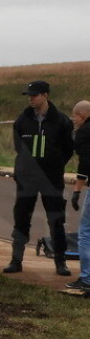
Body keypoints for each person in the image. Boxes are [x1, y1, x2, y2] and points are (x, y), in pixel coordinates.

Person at [3, 80, 74, 276]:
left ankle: (61, 261)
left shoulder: (61, 121)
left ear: (46, 95)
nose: (31, 98)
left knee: (56, 219)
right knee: (22, 216)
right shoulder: (22, 120)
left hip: (51, 179)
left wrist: (54, 165)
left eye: (34, 95)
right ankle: (16, 260)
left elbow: (68, 149)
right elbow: (19, 147)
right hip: (27, 179)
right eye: (29, 95)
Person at [67, 100, 90, 291]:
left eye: (75, 116)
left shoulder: (83, 132)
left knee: (85, 232)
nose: (74, 120)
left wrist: (77, 191)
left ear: (81, 115)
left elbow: (85, 164)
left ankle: (86, 278)